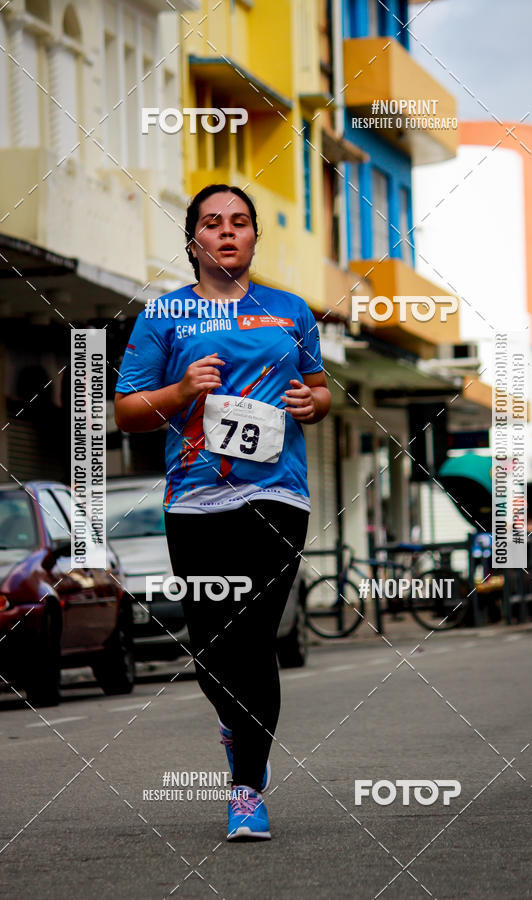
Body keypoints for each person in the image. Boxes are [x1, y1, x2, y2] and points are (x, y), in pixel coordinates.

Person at [114, 184, 331, 840]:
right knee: (211, 647)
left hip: (275, 496)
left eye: (240, 223)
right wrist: (180, 390)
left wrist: (311, 405)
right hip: (196, 500)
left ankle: (246, 791)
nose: (228, 232)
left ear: (254, 238)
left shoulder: (291, 312)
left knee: (254, 639)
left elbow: (321, 392)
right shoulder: (164, 317)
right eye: (213, 223)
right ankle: (240, 730)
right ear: (194, 242)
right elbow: (125, 412)